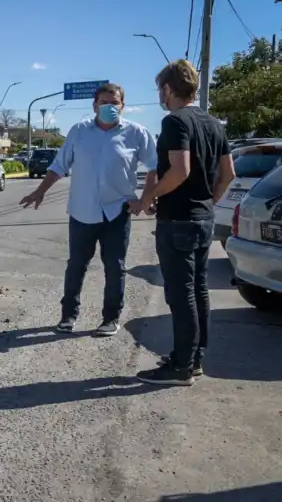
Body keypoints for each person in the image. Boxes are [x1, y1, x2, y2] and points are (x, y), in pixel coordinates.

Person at [19, 83, 158, 337]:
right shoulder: (79, 131)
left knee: (115, 267)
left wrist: (145, 200)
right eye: (104, 102)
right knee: (76, 265)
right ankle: (68, 316)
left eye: (114, 103)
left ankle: (110, 318)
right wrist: (40, 191)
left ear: (122, 106)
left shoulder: (137, 133)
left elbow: (153, 168)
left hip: (117, 212)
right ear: (94, 105)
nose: (109, 107)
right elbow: (59, 166)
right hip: (82, 212)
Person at [135, 60, 234, 386]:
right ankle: (194, 360)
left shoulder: (175, 122)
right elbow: (228, 174)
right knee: (199, 291)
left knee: (182, 295)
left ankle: (180, 366)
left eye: (159, 90)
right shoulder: (214, 123)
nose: (159, 96)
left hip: (178, 221)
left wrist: (150, 198)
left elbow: (180, 171)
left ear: (167, 89)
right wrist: (208, 204)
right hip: (203, 219)